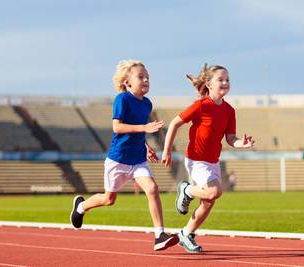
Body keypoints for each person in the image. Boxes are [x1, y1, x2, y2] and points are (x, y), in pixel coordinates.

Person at [70, 59, 179, 251]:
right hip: (118, 159)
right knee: (108, 199)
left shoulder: (147, 104)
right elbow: (117, 127)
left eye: (148, 77)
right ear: (127, 82)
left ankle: (159, 235)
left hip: (138, 160)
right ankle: (81, 207)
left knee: (152, 189)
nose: (146, 80)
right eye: (141, 77)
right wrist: (145, 128)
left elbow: (137, 132)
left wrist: (146, 147)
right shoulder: (122, 99)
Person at [162, 63, 255, 253]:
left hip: (213, 161)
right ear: (209, 84)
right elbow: (174, 123)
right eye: (220, 79)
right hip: (196, 159)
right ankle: (187, 190)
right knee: (214, 192)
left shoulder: (229, 110)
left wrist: (241, 144)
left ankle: (186, 234)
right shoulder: (201, 106)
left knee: (208, 202)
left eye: (228, 79)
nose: (225, 82)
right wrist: (167, 150)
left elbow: (230, 138)